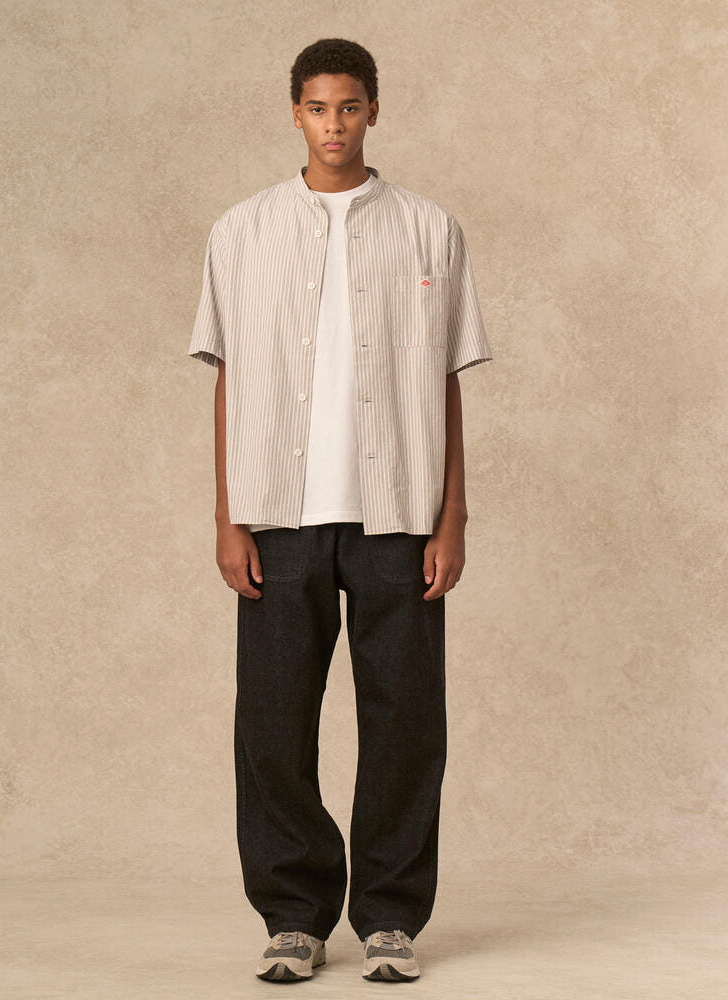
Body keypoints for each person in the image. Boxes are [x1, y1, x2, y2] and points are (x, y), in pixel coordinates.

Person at [187, 37, 493, 983]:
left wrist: (453, 516)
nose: (334, 125)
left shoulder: (430, 230)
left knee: (406, 722)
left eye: (349, 107)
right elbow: (230, 378)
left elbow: (446, 380)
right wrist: (229, 515)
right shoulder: (241, 231)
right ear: (295, 113)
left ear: (373, 112)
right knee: (272, 722)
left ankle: (391, 916)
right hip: (279, 516)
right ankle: (294, 913)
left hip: (399, 512)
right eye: (318, 108)